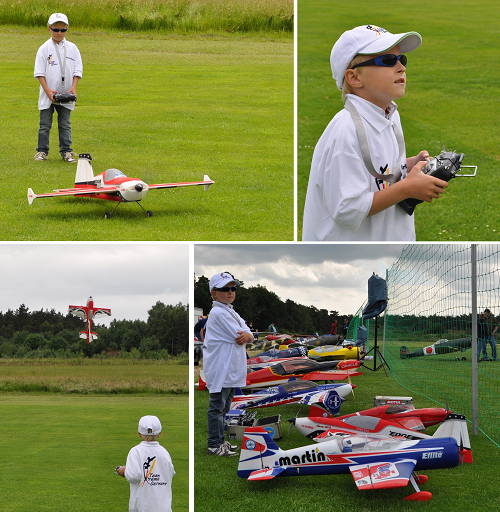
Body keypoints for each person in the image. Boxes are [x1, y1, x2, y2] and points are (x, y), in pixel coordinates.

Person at [302, 25, 448, 241]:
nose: (401, 68)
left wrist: (408, 167)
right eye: (388, 60)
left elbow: (374, 170)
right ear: (354, 78)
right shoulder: (346, 130)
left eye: (402, 60)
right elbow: (347, 208)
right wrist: (407, 188)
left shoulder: (389, 115)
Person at [203, 272, 254, 456]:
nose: (230, 292)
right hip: (221, 368)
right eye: (225, 289)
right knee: (217, 407)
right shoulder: (218, 312)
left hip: (231, 368)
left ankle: (220, 440)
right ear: (214, 293)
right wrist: (247, 336)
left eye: (233, 288)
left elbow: (248, 333)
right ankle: (214, 444)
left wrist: (249, 336)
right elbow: (239, 334)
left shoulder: (230, 311)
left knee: (225, 407)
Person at [34, 13, 83, 162]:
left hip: (67, 93)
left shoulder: (73, 48)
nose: (59, 33)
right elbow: (39, 72)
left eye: (63, 30)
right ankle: (42, 151)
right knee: (44, 125)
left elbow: (77, 70)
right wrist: (48, 91)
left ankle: (67, 151)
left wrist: (74, 88)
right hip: (48, 94)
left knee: (65, 124)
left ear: (67, 29)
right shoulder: (43, 49)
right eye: (56, 29)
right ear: (49, 29)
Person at [116, 415, 175, 512]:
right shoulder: (164, 452)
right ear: (160, 433)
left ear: (139, 433)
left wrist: (125, 471)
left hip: (142, 506)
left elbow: (134, 475)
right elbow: (170, 472)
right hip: (163, 506)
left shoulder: (135, 451)